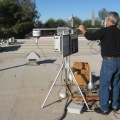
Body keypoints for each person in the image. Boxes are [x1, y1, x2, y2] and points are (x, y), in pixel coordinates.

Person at [79, 11, 120, 115]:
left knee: (104, 85)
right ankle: (115, 105)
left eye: (106, 19)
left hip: (109, 62)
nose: (106, 21)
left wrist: (83, 29)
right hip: (119, 61)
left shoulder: (105, 31)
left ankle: (104, 108)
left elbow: (90, 36)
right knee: (116, 84)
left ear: (110, 20)